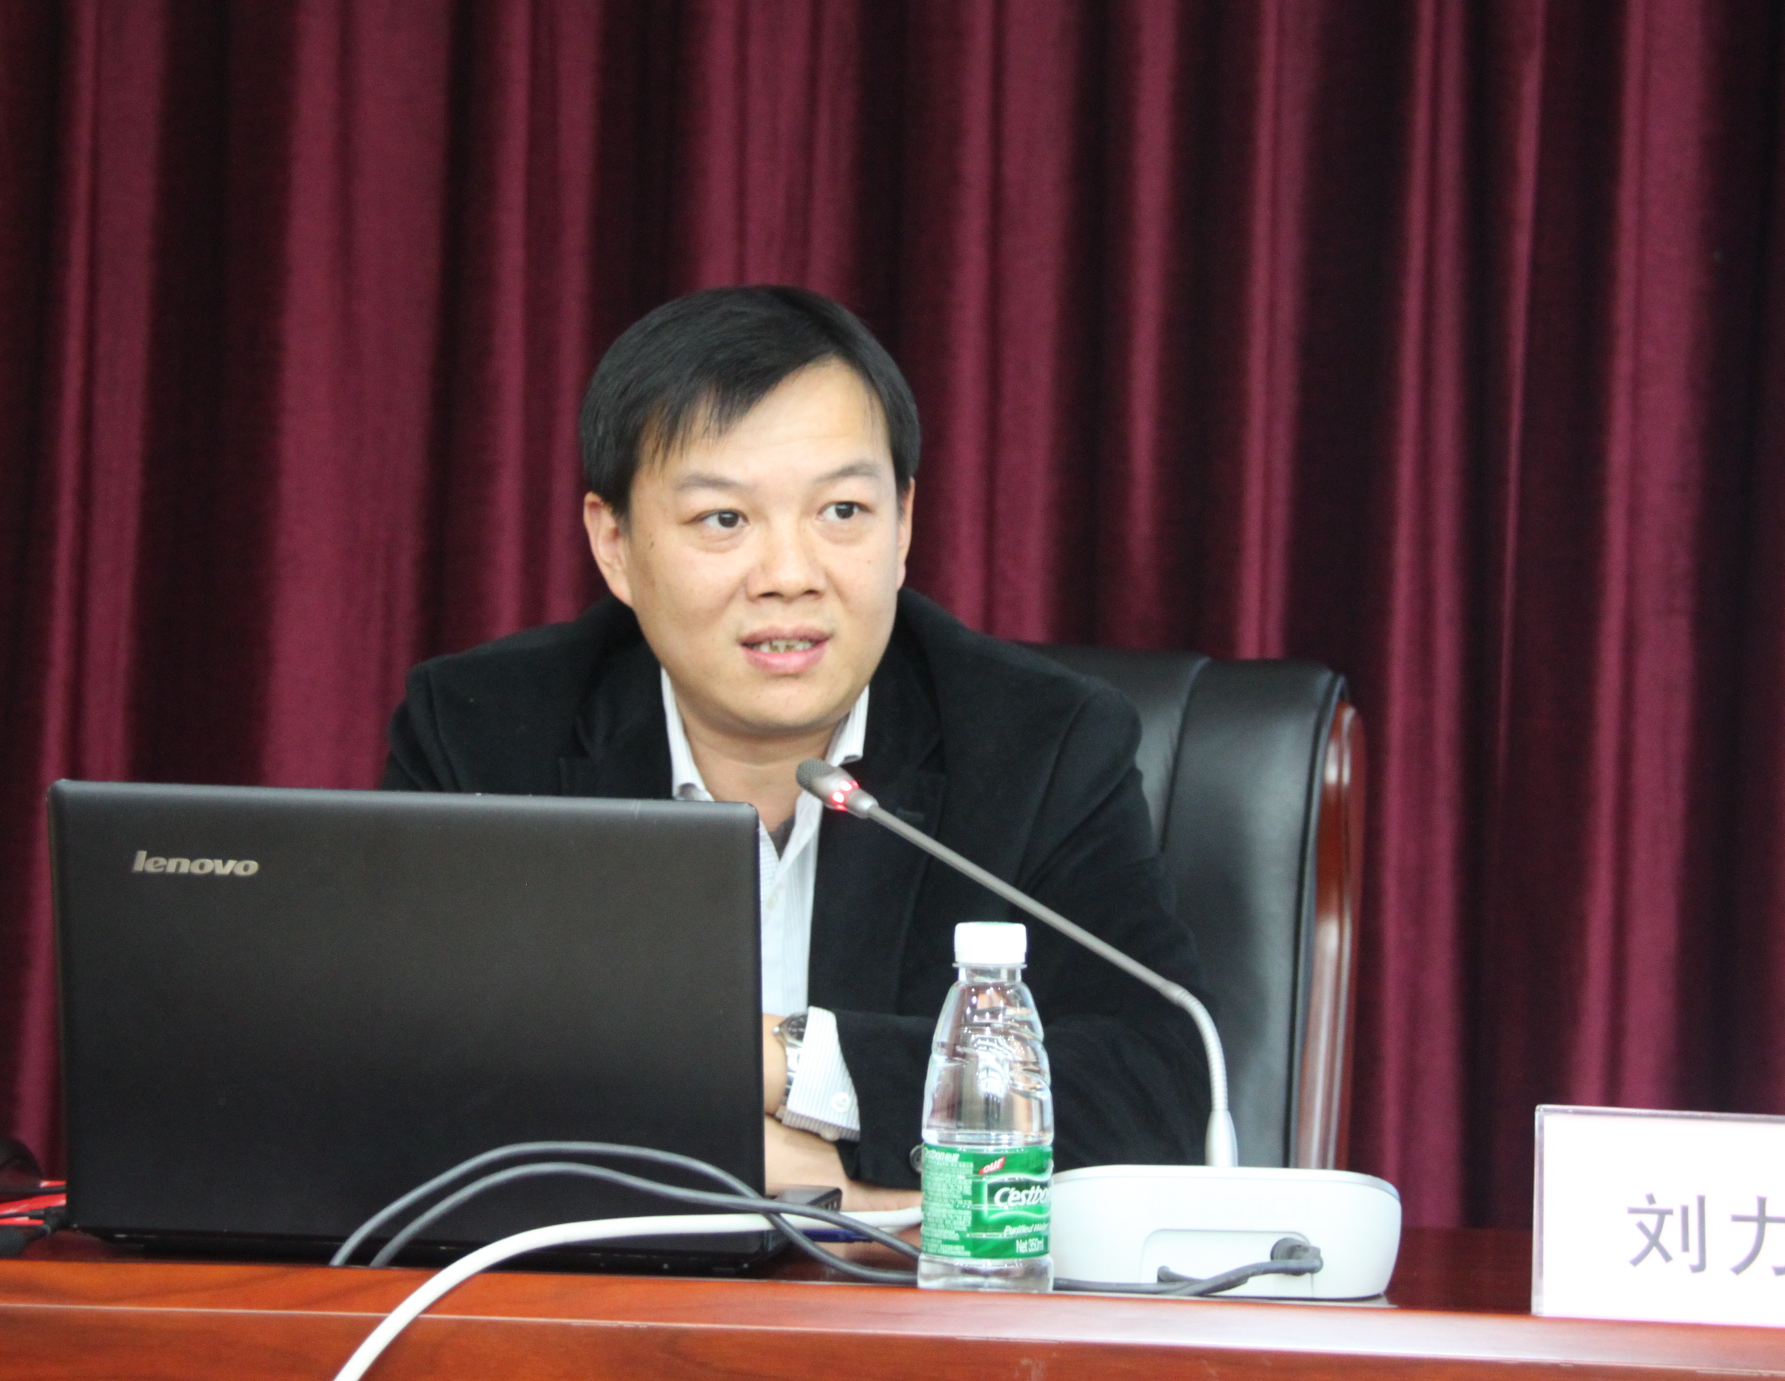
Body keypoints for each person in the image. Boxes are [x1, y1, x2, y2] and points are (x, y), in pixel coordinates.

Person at [381, 285, 1210, 1207]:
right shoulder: (482, 734)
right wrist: (828, 1183)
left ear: (904, 525)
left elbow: (1157, 1089)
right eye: (724, 520)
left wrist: (786, 1069)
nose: (788, 576)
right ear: (614, 543)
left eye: (842, 512)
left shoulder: (1040, 745)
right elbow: (391, 1080)